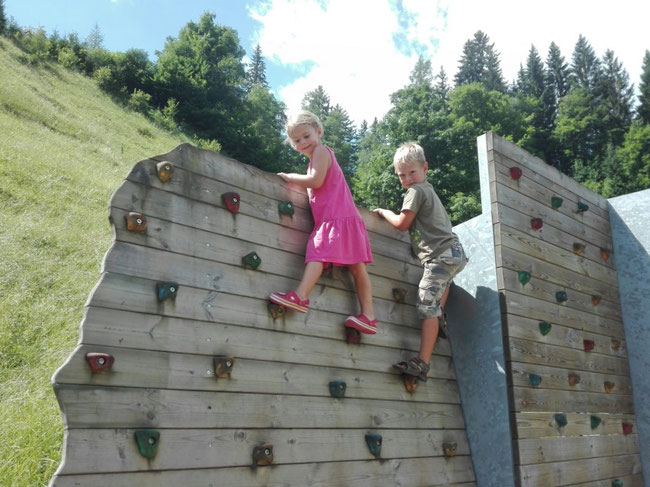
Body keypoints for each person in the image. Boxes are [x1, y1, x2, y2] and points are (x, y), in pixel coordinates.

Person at [269, 111, 377, 334]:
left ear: (319, 132)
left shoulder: (321, 151)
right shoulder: (318, 156)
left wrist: (289, 177)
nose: (303, 143)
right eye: (297, 140)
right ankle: (369, 315)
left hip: (337, 219)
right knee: (357, 268)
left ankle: (300, 296)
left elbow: (316, 181)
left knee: (317, 251)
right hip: (345, 218)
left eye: (306, 136)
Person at [373, 142, 468, 381]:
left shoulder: (416, 191)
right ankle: (440, 317)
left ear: (425, 168)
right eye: (401, 175)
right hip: (454, 253)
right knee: (440, 288)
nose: (407, 179)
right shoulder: (429, 191)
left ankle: (422, 364)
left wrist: (384, 213)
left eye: (411, 172)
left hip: (440, 255)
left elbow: (402, 224)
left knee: (426, 305)